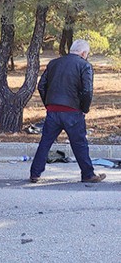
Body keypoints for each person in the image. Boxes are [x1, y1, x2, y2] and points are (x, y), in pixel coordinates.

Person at [29, 39, 105, 183]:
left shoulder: (53, 63)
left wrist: (49, 104)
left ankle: (35, 174)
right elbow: (87, 91)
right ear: (83, 53)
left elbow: (41, 86)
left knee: (45, 143)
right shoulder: (85, 65)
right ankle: (88, 174)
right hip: (73, 111)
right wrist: (84, 109)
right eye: (87, 54)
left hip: (53, 110)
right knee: (80, 144)